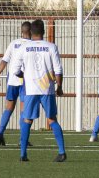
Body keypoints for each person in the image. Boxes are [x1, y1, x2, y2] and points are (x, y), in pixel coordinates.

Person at [11, 19, 66, 162]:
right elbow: (58, 69)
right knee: (52, 119)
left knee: (27, 120)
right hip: (47, 89)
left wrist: (24, 76)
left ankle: (23, 154)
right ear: (43, 31)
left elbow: (15, 70)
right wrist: (59, 87)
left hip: (30, 90)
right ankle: (61, 152)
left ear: (30, 32)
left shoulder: (23, 48)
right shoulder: (51, 47)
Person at [0, 21, 33, 146]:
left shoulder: (13, 43)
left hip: (11, 80)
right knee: (24, 110)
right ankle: (23, 140)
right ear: (31, 32)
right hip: (25, 81)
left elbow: (4, 61)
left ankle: (0, 133)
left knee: (9, 108)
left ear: (21, 31)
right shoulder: (31, 45)